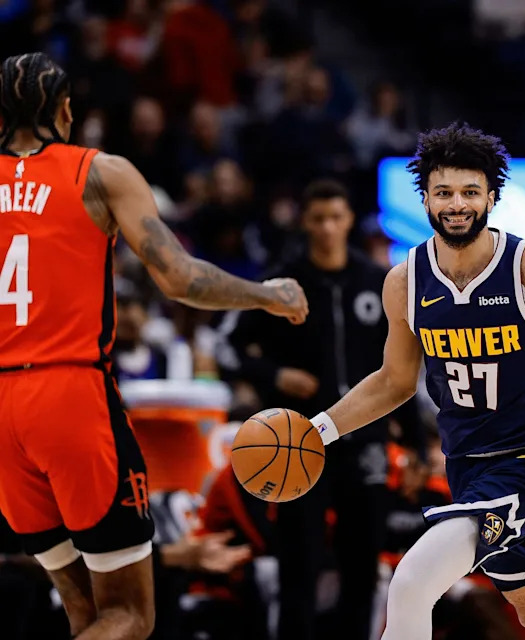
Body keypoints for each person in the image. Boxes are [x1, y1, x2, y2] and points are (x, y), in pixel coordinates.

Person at [304, 122, 525, 639]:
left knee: (411, 583)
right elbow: (394, 381)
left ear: (492, 197)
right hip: (467, 470)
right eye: (444, 192)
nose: (457, 204)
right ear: (425, 199)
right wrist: (317, 430)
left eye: (471, 192)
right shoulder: (404, 281)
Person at [0, 52, 307, 640]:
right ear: (66, 112)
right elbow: (179, 278)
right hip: (68, 395)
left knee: (85, 614)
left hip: (5, 410)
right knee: (130, 617)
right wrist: (266, 295)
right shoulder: (99, 172)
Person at [221, 178, 420, 639]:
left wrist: (413, 441)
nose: (328, 228)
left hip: (366, 439)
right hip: (298, 442)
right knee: (300, 565)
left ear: (349, 219)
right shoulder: (281, 283)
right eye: (318, 219)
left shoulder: (378, 281)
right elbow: (229, 347)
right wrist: (275, 376)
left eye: (336, 217)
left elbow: (401, 368)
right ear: (305, 223)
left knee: (362, 565)